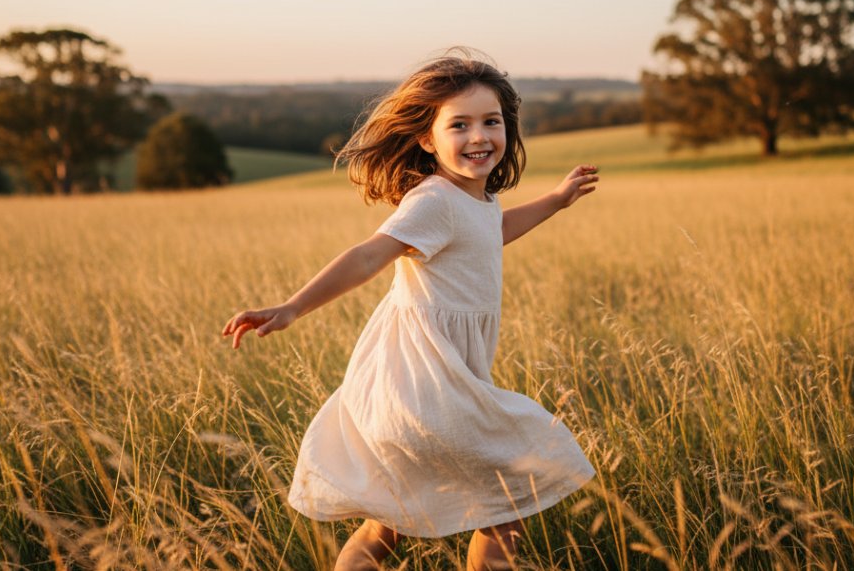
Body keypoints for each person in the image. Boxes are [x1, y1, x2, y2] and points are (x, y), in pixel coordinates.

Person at [221, 51, 599, 570]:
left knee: (390, 521)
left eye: (491, 122)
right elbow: (370, 254)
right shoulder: (435, 201)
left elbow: (494, 233)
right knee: (507, 502)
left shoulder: (476, 203)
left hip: (414, 390)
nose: (479, 137)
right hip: (427, 387)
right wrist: (293, 307)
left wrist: (555, 200)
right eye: (459, 125)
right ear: (427, 138)